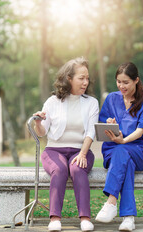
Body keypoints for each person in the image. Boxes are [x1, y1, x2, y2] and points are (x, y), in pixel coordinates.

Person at [33, 57, 99, 232]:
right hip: (54, 150)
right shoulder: (52, 102)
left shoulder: (92, 103)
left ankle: (85, 218)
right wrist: (39, 122)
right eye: (81, 78)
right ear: (69, 78)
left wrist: (83, 154)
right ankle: (55, 218)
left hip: (81, 150)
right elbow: (42, 132)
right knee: (60, 169)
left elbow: (90, 132)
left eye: (87, 78)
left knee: (77, 168)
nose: (85, 82)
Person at [95, 62, 143, 231]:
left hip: (141, 150)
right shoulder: (111, 99)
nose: (121, 86)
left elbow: (140, 131)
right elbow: (102, 124)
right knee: (125, 161)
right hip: (113, 150)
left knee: (123, 152)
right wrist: (109, 123)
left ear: (136, 80)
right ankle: (128, 218)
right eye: (118, 81)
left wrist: (123, 141)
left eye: (126, 82)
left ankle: (111, 202)